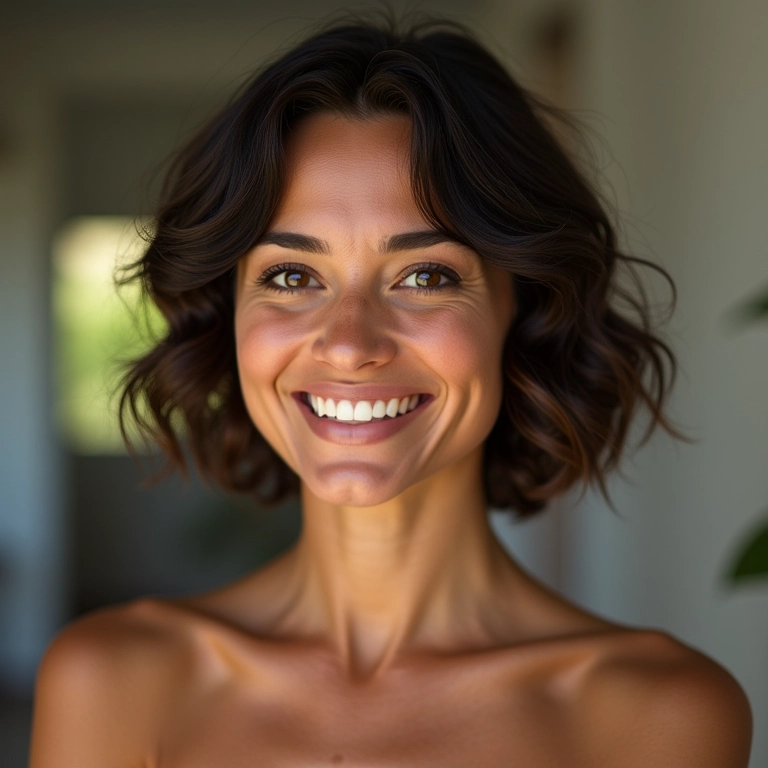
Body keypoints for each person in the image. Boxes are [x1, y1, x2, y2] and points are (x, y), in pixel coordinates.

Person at [29, 13, 752, 767]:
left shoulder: (656, 715)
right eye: (291, 276)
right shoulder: (111, 680)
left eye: (426, 276)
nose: (348, 342)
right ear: (231, 316)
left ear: (525, 309)